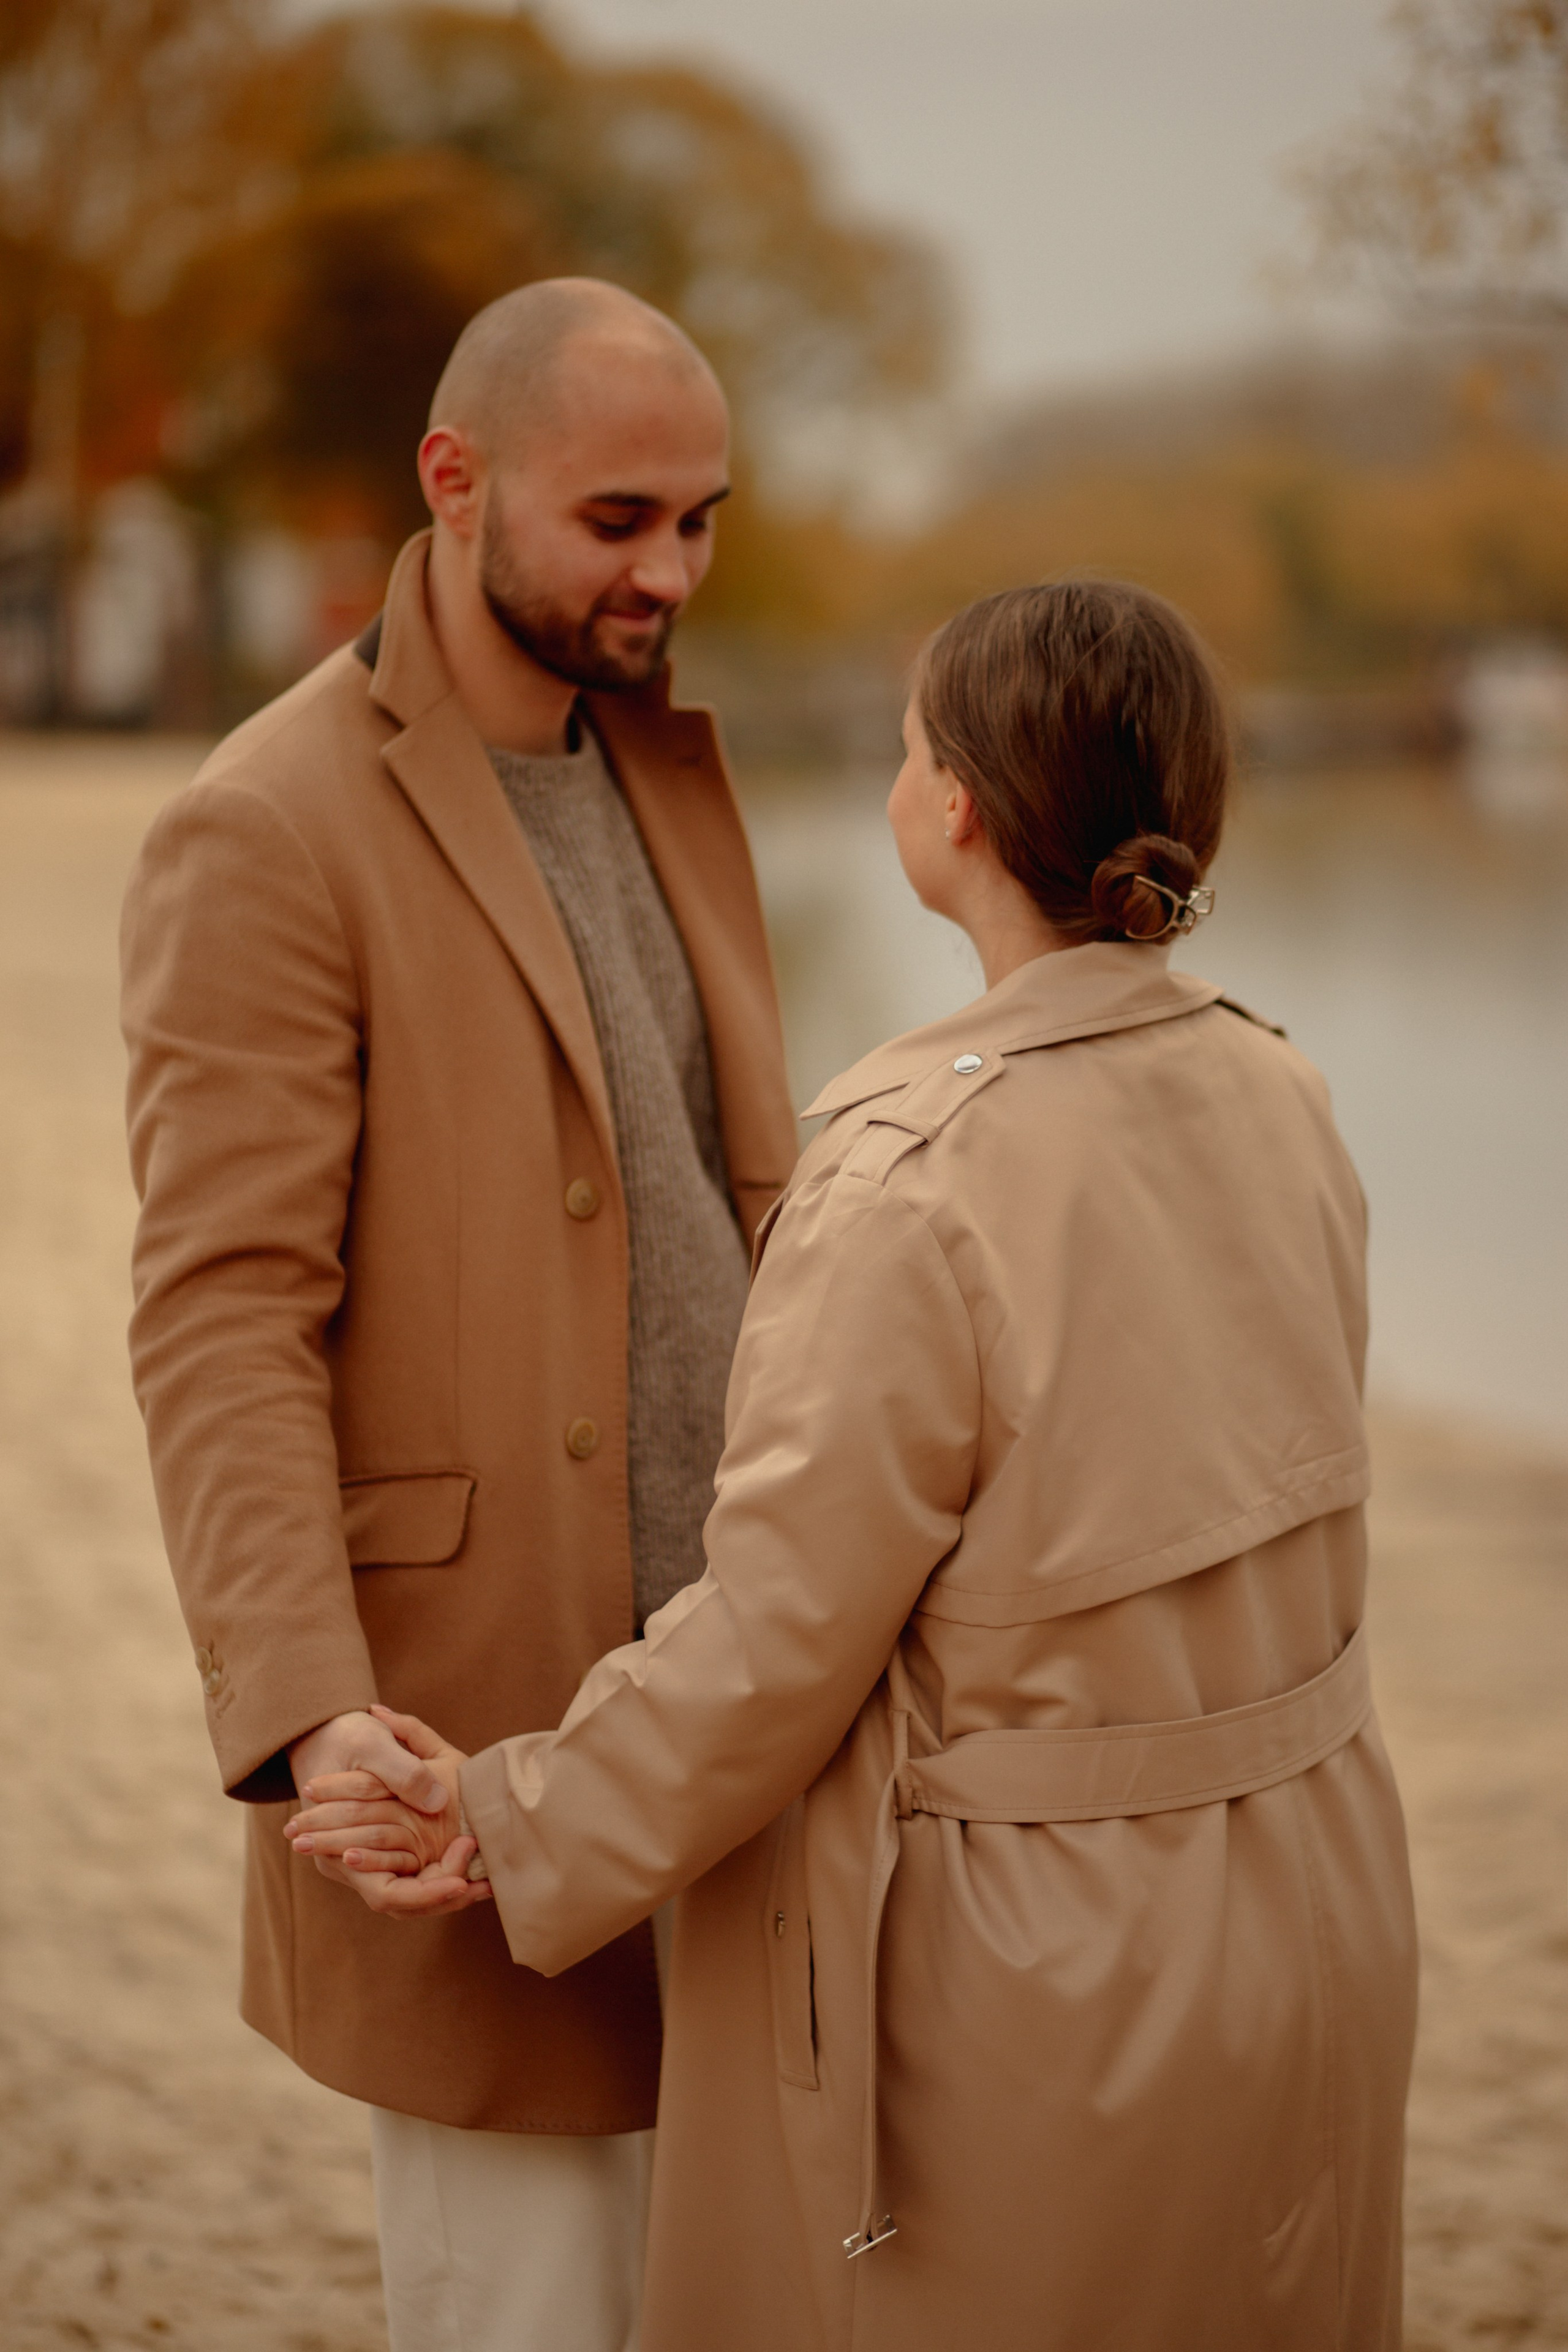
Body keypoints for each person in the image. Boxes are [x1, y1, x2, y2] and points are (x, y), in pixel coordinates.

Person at [290, 579, 1419, 2352]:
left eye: (909, 745)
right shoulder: (1286, 1090)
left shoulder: (910, 1168)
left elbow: (777, 1644)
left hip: (1036, 1968)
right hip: (1317, 1898)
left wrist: (512, 1818)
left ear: (953, 806)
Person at [121, 278, 796, 2352]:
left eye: (700, 519)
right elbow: (219, 1313)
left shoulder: (670, 770)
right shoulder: (267, 819)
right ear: (456, 479)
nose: (667, 571)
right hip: (470, 1754)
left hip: (743, 1735)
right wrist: (311, 1706)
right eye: (618, 520)